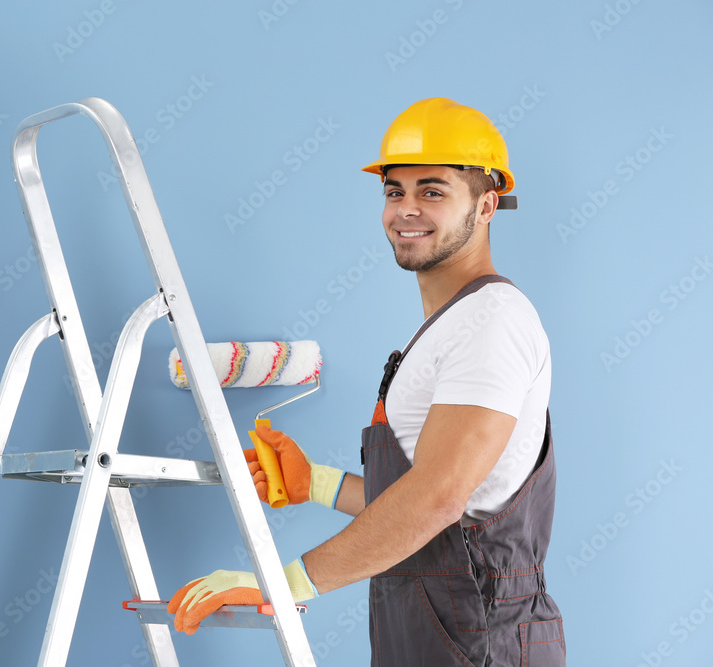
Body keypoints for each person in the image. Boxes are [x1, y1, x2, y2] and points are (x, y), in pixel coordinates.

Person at [167, 97, 565, 665]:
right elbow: (442, 515)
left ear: (486, 206)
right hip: (433, 630)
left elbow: (438, 498)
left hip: (483, 638)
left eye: (433, 191)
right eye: (394, 191)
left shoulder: (490, 320)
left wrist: (283, 584)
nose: (407, 209)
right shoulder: (449, 327)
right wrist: (317, 483)